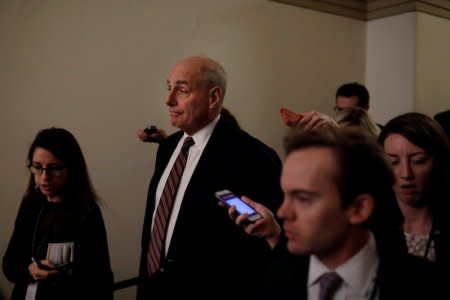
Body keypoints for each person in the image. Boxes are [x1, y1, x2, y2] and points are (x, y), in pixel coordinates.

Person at [137, 56, 283, 299]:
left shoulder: (255, 157)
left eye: (181, 90)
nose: (168, 100)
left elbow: (265, 252)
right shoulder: (167, 148)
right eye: (168, 88)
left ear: (213, 97)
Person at [256, 126, 439, 299]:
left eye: (303, 199)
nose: (282, 212)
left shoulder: (425, 285)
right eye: (286, 195)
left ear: (359, 209)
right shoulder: (275, 281)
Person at [2, 127, 113, 300]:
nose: (44, 177)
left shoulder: (88, 212)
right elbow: (9, 265)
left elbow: (101, 282)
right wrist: (29, 269)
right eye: (37, 167)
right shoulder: (30, 205)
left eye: (53, 168)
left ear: (71, 169)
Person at [378, 112, 450, 275]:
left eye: (418, 161)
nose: (406, 174)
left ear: (439, 162)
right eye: (393, 162)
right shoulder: (370, 227)